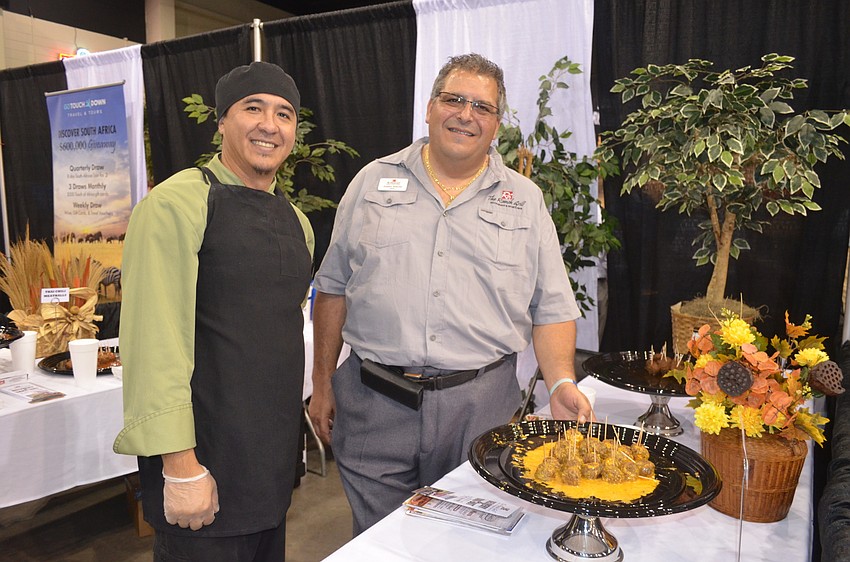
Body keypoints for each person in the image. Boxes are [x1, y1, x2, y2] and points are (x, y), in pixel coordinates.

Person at [309, 53, 592, 534]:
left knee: (466, 543)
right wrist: (320, 384)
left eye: (481, 107)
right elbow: (332, 289)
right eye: (453, 99)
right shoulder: (372, 183)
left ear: (496, 123)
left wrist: (561, 381)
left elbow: (551, 306)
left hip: (480, 408)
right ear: (429, 107)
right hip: (374, 401)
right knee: (383, 543)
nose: (465, 114)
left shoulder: (525, 200)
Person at [113, 61, 314, 561]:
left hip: (269, 468)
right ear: (222, 121)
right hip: (205, 468)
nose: (270, 125)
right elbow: (154, 344)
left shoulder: (298, 222)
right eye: (253, 108)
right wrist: (180, 467)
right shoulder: (177, 204)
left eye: (284, 114)